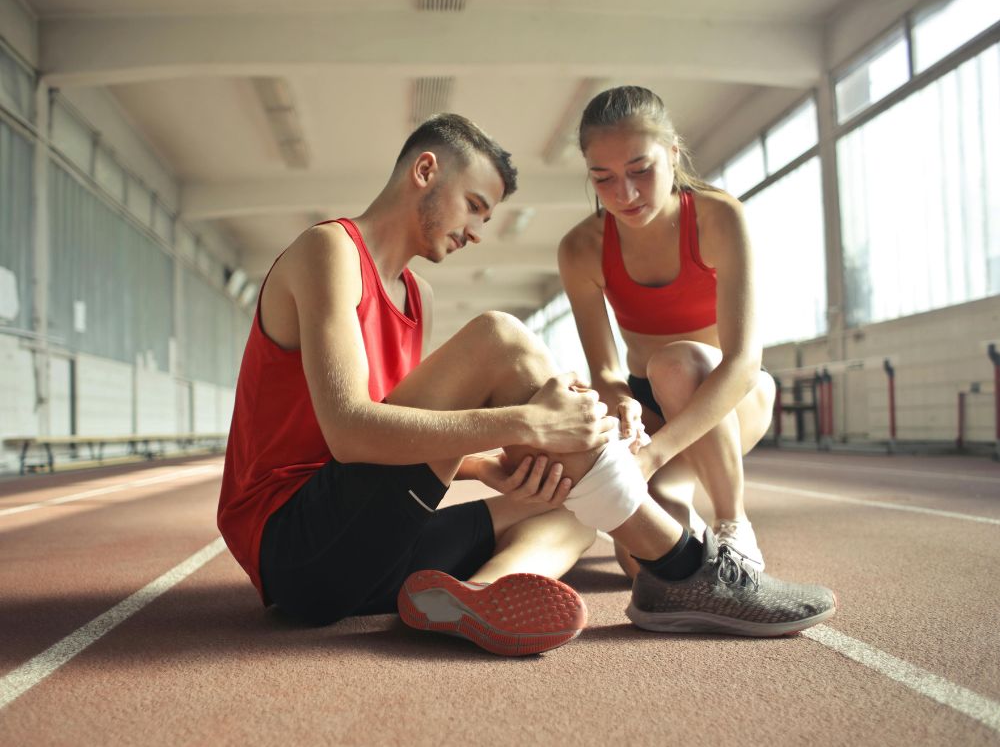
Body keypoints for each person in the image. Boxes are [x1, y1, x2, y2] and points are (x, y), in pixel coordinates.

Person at [218, 113, 835, 659]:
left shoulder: (418, 296)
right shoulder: (329, 250)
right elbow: (351, 435)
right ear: (425, 171)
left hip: (364, 558)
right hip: (296, 549)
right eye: (475, 206)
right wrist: (526, 425)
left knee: (572, 499)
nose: (477, 233)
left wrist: (489, 466)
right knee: (499, 337)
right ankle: (682, 566)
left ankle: (480, 595)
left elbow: (395, 443)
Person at [558, 85, 776, 577]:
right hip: (650, 406)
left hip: (731, 396)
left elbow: (743, 363)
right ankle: (681, 505)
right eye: (603, 178)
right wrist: (622, 403)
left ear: (673, 154)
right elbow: (607, 369)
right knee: (644, 565)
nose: (625, 194)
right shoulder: (581, 249)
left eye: (640, 170)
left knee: (677, 363)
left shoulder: (720, 218)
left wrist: (654, 455)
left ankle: (732, 522)